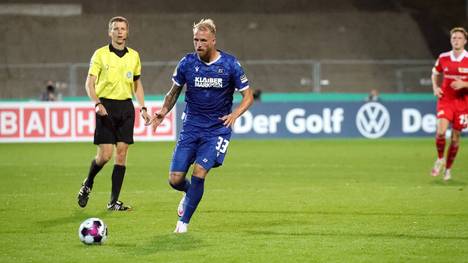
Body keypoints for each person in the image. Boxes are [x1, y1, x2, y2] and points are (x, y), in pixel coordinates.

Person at [149, 18, 254, 233]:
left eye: (203, 40)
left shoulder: (230, 65)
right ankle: (189, 194)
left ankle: (183, 223)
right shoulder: (187, 63)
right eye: (196, 39)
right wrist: (162, 111)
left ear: (213, 40)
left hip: (216, 129)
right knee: (175, 179)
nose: (198, 44)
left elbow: (248, 96)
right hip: (191, 127)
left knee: (199, 171)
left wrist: (235, 114)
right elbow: (173, 92)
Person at [77, 16, 150, 211]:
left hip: (126, 107)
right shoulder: (100, 54)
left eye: (123, 28)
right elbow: (89, 83)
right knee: (105, 155)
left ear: (127, 32)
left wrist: (142, 107)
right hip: (106, 107)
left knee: (122, 153)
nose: (119, 31)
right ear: (110, 32)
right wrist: (97, 103)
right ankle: (88, 183)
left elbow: (137, 83)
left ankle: (113, 202)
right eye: (115, 28)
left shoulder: (134, 56)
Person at [430, 27, 468, 181]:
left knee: (455, 138)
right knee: (441, 131)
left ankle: (448, 169)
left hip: (463, 102)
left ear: (465, 41)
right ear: (451, 40)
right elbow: (435, 73)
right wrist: (435, 87)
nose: (456, 40)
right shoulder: (443, 57)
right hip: (446, 100)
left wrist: (464, 84)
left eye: (459, 38)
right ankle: (440, 159)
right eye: (453, 38)